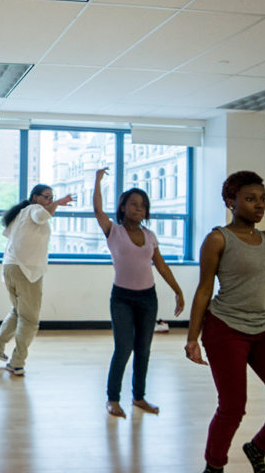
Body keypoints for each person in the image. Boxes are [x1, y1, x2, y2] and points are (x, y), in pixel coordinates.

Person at [185, 170, 265, 473]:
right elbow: (204, 290)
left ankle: (258, 448)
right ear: (230, 201)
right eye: (250, 199)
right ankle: (214, 466)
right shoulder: (217, 239)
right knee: (233, 407)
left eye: (262, 199)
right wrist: (191, 338)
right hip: (225, 328)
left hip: (264, 328)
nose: (259, 205)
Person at [93, 167, 184, 418]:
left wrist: (178, 291)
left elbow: (161, 266)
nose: (138, 209)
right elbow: (98, 210)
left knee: (143, 350)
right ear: (123, 207)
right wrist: (98, 180)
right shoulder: (114, 231)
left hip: (147, 298)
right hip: (121, 298)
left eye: (142, 206)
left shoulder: (150, 235)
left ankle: (139, 397)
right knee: (123, 348)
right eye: (133, 204)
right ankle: (112, 398)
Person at [0, 185, 73, 376]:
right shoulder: (35, 210)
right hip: (26, 270)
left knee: (18, 312)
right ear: (35, 197)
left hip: (10, 267)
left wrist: (54, 204)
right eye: (47, 197)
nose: (50, 200)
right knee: (30, 320)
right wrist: (59, 203)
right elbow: (41, 216)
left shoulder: (21, 212)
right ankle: (16, 362)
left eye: (52, 197)